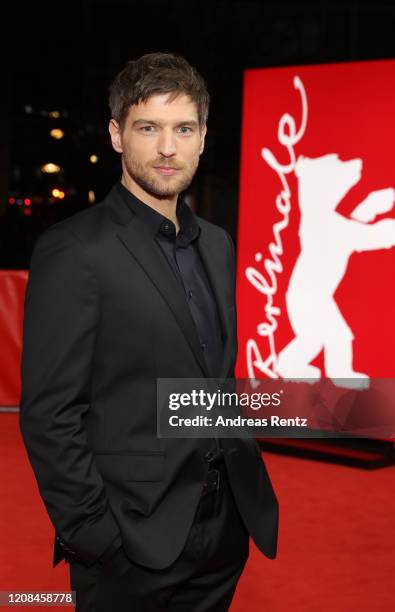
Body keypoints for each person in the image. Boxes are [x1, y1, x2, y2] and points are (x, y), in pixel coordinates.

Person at [19, 52, 279, 612]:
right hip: (130, 545)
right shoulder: (75, 251)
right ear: (117, 135)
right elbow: (49, 413)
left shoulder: (216, 243)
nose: (168, 147)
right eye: (148, 128)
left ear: (204, 137)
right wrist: (95, 535)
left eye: (183, 128)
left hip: (223, 530)